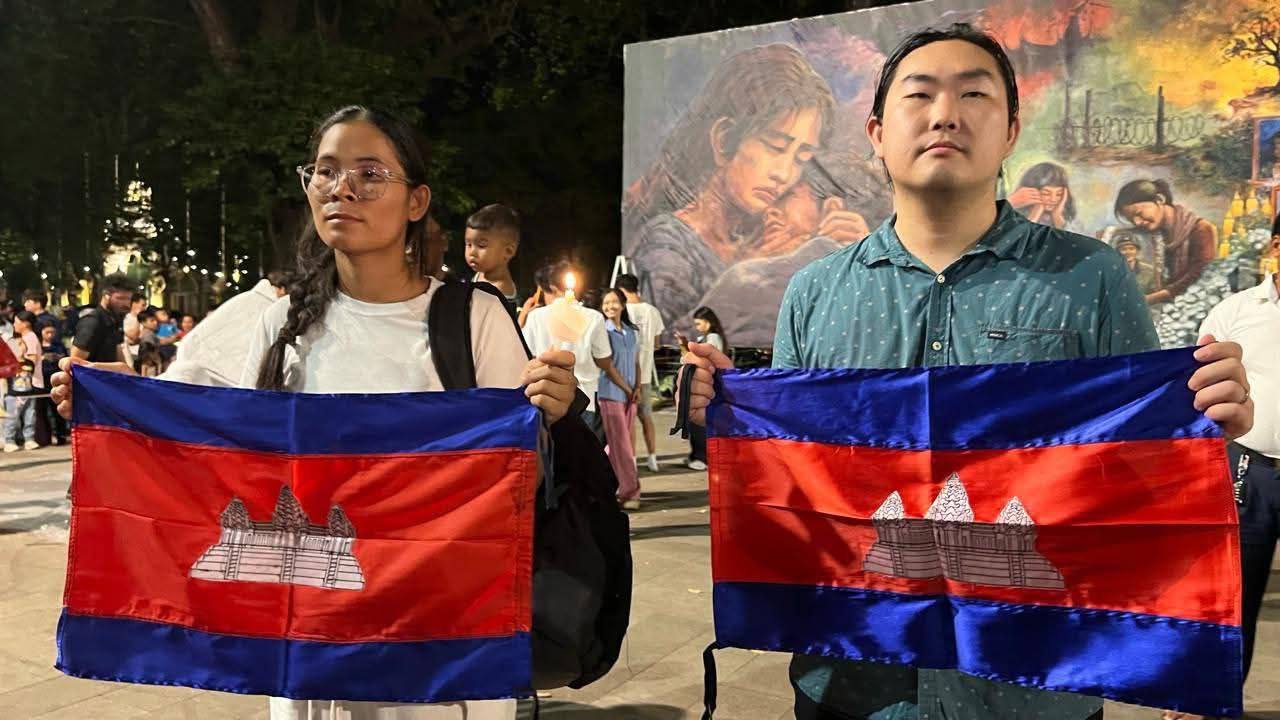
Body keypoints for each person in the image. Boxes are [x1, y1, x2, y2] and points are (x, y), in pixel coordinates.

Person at [679, 23, 1253, 720]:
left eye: (973, 94)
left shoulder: (1090, 278)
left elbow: (1136, 476)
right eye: (920, 95)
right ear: (876, 133)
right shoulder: (814, 293)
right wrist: (726, 420)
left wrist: (1201, 423)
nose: (945, 114)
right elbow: (797, 485)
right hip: (854, 686)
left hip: (1035, 689)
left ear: (1011, 131)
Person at [50, 105, 578, 720]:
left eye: (370, 174)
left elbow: (510, 489)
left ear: (416, 201)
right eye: (325, 171)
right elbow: (223, 461)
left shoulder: (471, 319)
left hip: (435, 653)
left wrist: (548, 414)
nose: (342, 189)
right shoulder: (278, 323)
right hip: (309, 658)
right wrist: (124, 407)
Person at [625, 43, 843, 324]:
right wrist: (753, 275)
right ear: (723, 139)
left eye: (801, 158)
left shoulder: (772, 232)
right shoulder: (666, 248)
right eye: (775, 147)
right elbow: (662, 341)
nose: (784, 173)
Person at [1183, 217, 1280, 720]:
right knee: (1233, 595)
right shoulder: (1236, 311)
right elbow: (1196, 388)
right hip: (1250, 472)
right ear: (1277, 246)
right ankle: (1211, 701)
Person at [523, 261, 622, 443]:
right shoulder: (594, 317)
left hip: (544, 396)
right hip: (584, 398)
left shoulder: (536, 316)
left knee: (548, 452)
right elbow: (603, 359)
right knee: (581, 453)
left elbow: (527, 357)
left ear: (552, 287)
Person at [158, 271, 295, 387]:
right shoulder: (270, 308)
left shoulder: (245, 299)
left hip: (199, 368)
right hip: (224, 378)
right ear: (282, 289)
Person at [1115, 178, 1216, 306]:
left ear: (1160, 200)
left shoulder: (1200, 229)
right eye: (1132, 220)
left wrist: (1153, 298)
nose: (1137, 222)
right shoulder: (1152, 235)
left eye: (1139, 214)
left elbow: (1201, 274)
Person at [614, 273, 666, 472]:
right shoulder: (652, 311)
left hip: (624, 375)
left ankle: (633, 460)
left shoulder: (622, 310)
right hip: (644, 374)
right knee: (646, 418)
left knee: (628, 421)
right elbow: (657, 344)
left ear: (621, 290)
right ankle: (653, 458)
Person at [598, 288, 641, 508]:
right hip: (611, 393)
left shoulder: (632, 332)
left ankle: (605, 484)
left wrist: (637, 387)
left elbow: (636, 362)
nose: (610, 306)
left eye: (614, 302)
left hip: (631, 395)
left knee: (617, 446)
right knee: (622, 445)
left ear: (623, 305)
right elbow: (608, 367)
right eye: (606, 303)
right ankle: (631, 492)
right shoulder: (602, 332)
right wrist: (626, 388)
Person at [675, 307, 727, 472]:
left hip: (707, 385)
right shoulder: (704, 338)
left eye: (699, 323)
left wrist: (685, 350)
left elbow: (694, 360)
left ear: (708, 322)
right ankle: (697, 455)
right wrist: (684, 346)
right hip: (703, 384)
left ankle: (701, 458)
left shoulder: (712, 339)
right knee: (697, 421)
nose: (697, 327)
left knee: (699, 422)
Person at [465, 203, 521, 312]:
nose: (472, 252)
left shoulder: (499, 292)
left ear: (508, 251)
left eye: (481, 245)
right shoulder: (483, 274)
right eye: (468, 244)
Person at [5, 311, 43, 452]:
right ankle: (10, 439)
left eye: (16, 322)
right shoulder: (19, 340)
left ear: (25, 323)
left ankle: (29, 439)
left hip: (29, 387)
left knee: (30, 414)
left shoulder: (30, 337)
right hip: (15, 391)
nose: (14, 325)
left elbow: (32, 361)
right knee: (13, 416)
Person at [71, 274, 131, 363]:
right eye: (120, 298)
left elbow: (119, 355)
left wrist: (125, 370)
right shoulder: (92, 322)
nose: (126, 304)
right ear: (106, 296)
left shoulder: (115, 320)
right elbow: (75, 362)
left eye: (128, 299)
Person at [1007, 161, 1075, 230]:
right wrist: (1035, 214)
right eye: (1046, 194)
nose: (1053, 199)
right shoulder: (1015, 215)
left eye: (1059, 194)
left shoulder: (1068, 217)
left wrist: (1057, 216)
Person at [39, 324, 68, 446]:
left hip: (56, 380)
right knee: (42, 410)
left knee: (57, 409)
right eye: (47, 332)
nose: (50, 335)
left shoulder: (59, 345)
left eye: (52, 332)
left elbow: (65, 358)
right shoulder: (38, 345)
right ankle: (46, 437)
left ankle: (60, 435)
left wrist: (57, 357)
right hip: (42, 381)